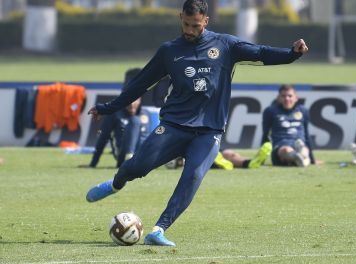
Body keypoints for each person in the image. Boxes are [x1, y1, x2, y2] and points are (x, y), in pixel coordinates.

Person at [85, 0, 308, 247]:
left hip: (209, 131)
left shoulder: (226, 45)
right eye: (186, 24)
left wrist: (292, 54)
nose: (190, 30)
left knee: (192, 177)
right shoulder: (169, 51)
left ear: (206, 21)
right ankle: (116, 184)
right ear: (181, 17)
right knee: (138, 167)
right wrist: (108, 108)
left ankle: (159, 230)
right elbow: (139, 84)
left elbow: (261, 52)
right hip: (173, 125)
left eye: (196, 25)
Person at [80, 68, 150, 168]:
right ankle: (129, 157)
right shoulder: (115, 114)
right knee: (134, 121)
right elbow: (102, 139)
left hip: (142, 156)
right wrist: (93, 164)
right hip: (122, 155)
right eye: (129, 100)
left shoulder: (146, 113)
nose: (131, 104)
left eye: (135, 100)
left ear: (140, 99)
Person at [261, 84, 316, 167]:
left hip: (298, 143)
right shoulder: (270, 111)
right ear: (278, 98)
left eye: (290, 96)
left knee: (304, 149)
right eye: (283, 96)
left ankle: (301, 157)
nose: (287, 99)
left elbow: (307, 135)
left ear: (296, 98)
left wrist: (313, 159)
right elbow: (265, 135)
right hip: (280, 147)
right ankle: (300, 158)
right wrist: (262, 159)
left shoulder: (303, 111)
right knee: (286, 150)